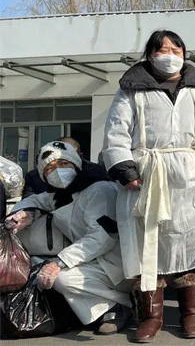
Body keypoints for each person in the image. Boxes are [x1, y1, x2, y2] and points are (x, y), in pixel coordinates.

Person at [102, 30, 195, 342]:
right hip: (146, 175)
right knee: (149, 242)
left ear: (185, 54)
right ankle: (152, 317)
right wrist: (126, 170)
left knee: (190, 242)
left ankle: (190, 314)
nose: (170, 55)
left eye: (176, 49)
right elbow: (116, 131)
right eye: (162, 49)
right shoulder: (130, 90)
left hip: (191, 177)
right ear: (150, 55)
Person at [5, 141, 132, 335]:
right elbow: (36, 200)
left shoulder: (99, 189)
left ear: (76, 163)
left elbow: (102, 237)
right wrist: (26, 214)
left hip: (115, 265)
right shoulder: (63, 194)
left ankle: (118, 306)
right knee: (38, 265)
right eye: (49, 169)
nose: (57, 171)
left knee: (62, 278)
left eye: (63, 164)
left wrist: (60, 262)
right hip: (93, 261)